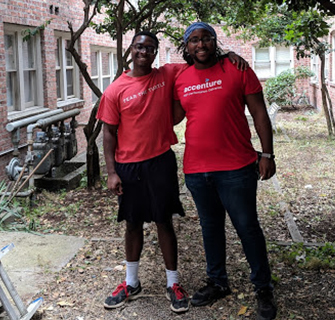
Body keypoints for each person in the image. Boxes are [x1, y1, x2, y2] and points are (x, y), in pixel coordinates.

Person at [96, 30, 247, 314]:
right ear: (131, 50)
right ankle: (131, 282)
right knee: (132, 223)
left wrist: (228, 56)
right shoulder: (115, 89)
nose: (144, 52)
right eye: (140, 46)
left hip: (160, 161)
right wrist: (111, 172)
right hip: (129, 166)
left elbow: (200, 58)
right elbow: (108, 133)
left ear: (155, 53)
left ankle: (173, 283)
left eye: (150, 48)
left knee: (164, 221)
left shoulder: (166, 74)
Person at [173, 22, 278, 320]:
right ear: (187, 46)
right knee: (210, 228)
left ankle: (263, 288)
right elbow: (173, 116)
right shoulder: (181, 77)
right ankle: (217, 282)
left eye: (206, 38)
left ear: (215, 41)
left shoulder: (237, 69)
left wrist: (267, 154)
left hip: (236, 167)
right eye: (193, 40)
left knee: (247, 227)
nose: (200, 44)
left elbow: (259, 113)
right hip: (196, 170)